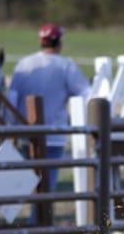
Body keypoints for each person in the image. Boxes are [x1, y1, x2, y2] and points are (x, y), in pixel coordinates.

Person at [6, 23, 91, 190]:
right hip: (54, 136)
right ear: (58, 42)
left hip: (26, 135)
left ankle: (35, 216)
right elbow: (86, 94)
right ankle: (38, 217)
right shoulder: (66, 66)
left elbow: (12, 100)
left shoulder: (24, 64)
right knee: (45, 187)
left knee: (31, 186)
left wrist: (13, 128)